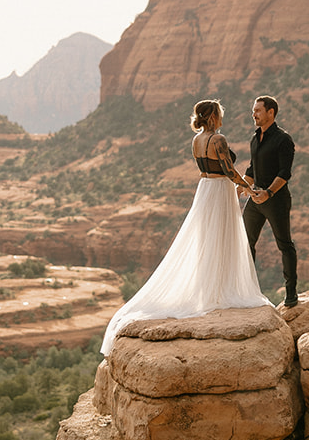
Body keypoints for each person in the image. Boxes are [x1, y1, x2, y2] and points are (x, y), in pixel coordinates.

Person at [100, 99, 271, 355]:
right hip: (219, 190)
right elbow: (228, 170)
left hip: (204, 189)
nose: (222, 115)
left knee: (206, 239)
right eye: (220, 112)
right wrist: (248, 188)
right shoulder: (218, 140)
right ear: (213, 116)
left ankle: (211, 290)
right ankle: (220, 291)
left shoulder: (196, 141)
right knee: (222, 238)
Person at [242, 94, 298, 308]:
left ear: (270, 112)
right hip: (255, 199)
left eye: (257, 110)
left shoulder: (284, 139)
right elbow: (252, 168)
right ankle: (247, 291)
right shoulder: (255, 138)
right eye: (253, 110)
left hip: (275, 200)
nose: (253, 114)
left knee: (284, 244)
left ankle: (291, 293)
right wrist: (242, 184)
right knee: (246, 244)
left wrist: (269, 193)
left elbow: (285, 172)